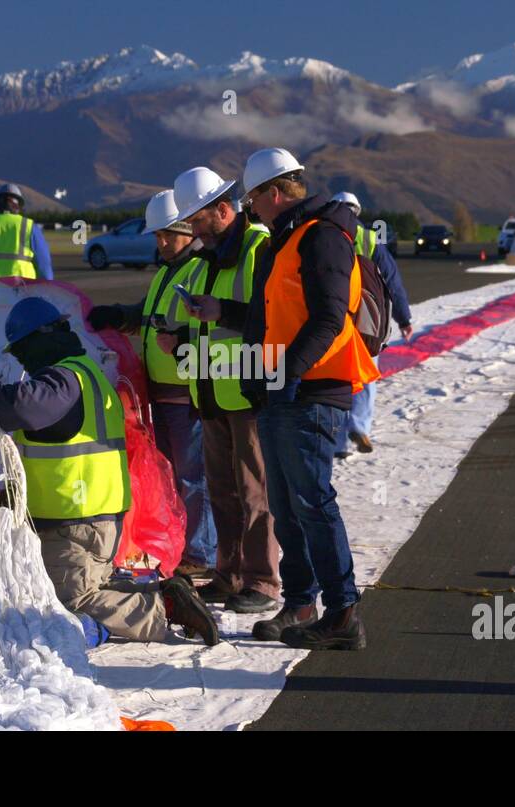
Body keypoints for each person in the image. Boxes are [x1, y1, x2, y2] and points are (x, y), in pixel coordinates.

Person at [188, 148, 380, 650]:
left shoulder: (322, 238)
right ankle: (300, 602)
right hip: (280, 388)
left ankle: (343, 613)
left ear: (273, 193)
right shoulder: (285, 241)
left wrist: (286, 373)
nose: (249, 209)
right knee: (286, 503)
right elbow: (266, 316)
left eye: (252, 199)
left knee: (313, 501)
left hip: (313, 390)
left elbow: (329, 319)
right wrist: (258, 374)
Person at [0, 297, 218, 645]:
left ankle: (164, 607)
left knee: (70, 601)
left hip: (76, 520)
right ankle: (162, 589)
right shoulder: (87, 371)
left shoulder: (63, 380)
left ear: (42, 338)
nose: (21, 359)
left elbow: (25, 406)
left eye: (22, 349)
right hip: (95, 517)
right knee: (86, 582)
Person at [166, 166, 280, 615]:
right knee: (223, 490)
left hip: (248, 390)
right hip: (212, 391)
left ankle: (263, 581)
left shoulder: (258, 248)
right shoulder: (206, 260)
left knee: (254, 492)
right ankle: (229, 574)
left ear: (224, 209)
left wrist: (222, 311)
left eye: (198, 221)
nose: (193, 230)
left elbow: (271, 314)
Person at [86, 190, 217, 577]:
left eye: (167, 235)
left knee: (194, 478)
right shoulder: (166, 272)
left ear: (187, 230)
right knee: (172, 477)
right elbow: (148, 313)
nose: (160, 244)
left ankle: (201, 554)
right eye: (156, 236)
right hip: (160, 392)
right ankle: (182, 543)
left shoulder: (197, 270)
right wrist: (117, 316)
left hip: (186, 392)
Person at [329, 192, 414, 457]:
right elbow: (392, 282)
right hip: (368, 321)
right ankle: (360, 425)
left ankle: (339, 442)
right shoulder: (370, 240)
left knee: (337, 381)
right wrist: (404, 318)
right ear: (358, 212)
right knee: (366, 376)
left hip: (334, 320)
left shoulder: (323, 238)